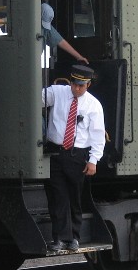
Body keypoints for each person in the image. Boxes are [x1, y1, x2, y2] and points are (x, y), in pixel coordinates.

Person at [42, 65, 105, 252]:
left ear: (88, 85)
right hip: (55, 152)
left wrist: (93, 160)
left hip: (77, 155)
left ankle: (74, 237)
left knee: (75, 197)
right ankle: (59, 238)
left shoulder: (93, 105)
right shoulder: (57, 93)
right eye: (74, 85)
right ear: (70, 82)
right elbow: (34, 97)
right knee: (57, 196)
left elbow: (98, 134)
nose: (76, 89)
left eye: (81, 86)